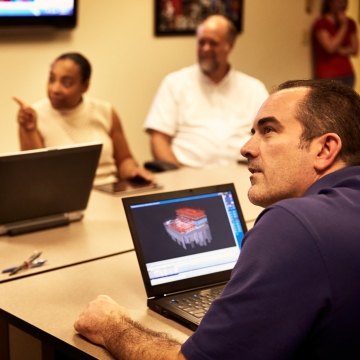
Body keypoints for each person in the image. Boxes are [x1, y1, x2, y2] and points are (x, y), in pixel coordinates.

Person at [74, 79, 360, 359]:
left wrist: (112, 326)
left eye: (268, 130)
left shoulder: (292, 225)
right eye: (252, 132)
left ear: (324, 149)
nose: (246, 147)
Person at [144, 15, 268, 168]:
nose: (205, 49)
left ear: (230, 45)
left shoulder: (254, 88)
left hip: (244, 175)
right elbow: (158, 139)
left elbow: (268, 137)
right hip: (187, 176)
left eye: (213, 43)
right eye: (201, 42)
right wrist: (179, 178)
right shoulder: (174, 83)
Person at [14, 52, 154, 186]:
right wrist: (29, 129)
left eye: (66, 82)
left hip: (111, 191)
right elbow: (35, 175)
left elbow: (124, 159)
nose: (55, 89)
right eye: (52, 79)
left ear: (85, 86)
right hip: (65, 199)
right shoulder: (32, 116)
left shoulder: (105, 111)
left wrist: (133, 171)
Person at [311, 0, 358, 88]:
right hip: (328, 75)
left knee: (347, 101)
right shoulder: (321, 23)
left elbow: (355, 49)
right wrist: (343, 26)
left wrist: (341, 50)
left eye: (345, 2)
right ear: (330, 3)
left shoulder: (350, 23)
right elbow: (330, 48)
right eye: (340, 1)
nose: (343, 5)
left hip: (348, 73)